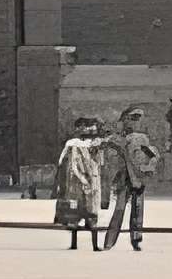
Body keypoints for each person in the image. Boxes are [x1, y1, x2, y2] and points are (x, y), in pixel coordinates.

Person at [104, 107, 157, 252]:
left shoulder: (141, 139)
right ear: (124, 119)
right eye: (132, 118)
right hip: (124, 178)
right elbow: (110, 158)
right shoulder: (116, 138)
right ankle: (109, 242)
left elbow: (151, 155)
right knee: (119, 210)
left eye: (137, 119)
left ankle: (136, 240)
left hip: (137, 177)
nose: (135, 122)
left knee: (137, 211)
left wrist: (147, 167)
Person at [53, 116, 105, 252]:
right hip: (78, 185)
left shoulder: (96, 146)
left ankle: (93, 245)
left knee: (92, 215)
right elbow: (73, 166)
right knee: (76, 215)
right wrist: (84, 180)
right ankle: (75, 244)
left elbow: (100, 164)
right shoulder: (74, 144)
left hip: (92, 184)